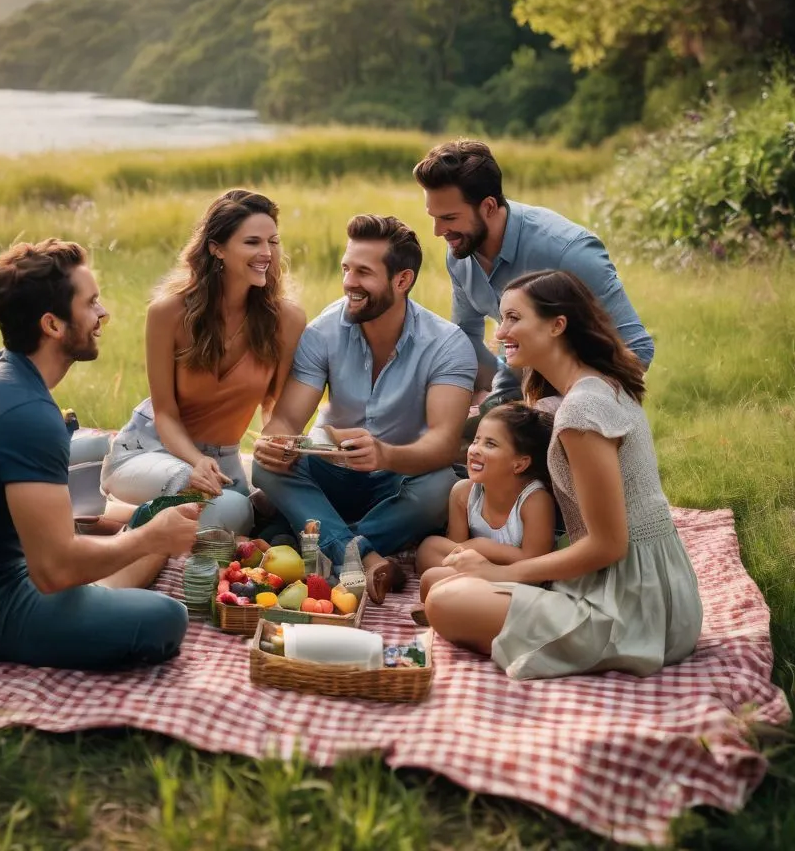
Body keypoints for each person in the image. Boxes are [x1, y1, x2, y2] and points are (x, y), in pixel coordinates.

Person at [0, 239, 196, 670]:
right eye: (91, 303)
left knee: (149, 524)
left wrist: (146, 535)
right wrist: (148, 539)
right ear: (53, 325)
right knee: (166, 619)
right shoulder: (27, 414)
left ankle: (104, 588)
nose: (103, 314)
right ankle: (103, 595)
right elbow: (53, 570)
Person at [423, 270, 703, 679]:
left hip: (632, 605)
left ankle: (518, 624)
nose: (500, 332)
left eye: (514, 318)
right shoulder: (588, 390)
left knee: (445, 602)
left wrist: (502, 572)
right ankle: (503, 616)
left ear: (557, 325)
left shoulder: (582, 411)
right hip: (638, 586)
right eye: (501, 319)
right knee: (436, 582)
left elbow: (609, 545)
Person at [251, 214, 477, 603]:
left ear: (402, 280)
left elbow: (442, 444)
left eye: (363, 272)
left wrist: (385, 454)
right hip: (332, 473)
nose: (349, 283)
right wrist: (275, 441)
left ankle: (309, 542)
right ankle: (365, 555)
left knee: (443, 487)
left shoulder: (447, 344)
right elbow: (288, 418)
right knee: (262, 465)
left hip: (398, 480)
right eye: (346, 268)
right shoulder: (323, 331)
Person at [100, 189, 306, 536]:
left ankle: (135, 520)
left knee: (245, 515)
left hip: (224, 461)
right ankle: (139, 526)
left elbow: (275, 408)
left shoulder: (287, 319)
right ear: (217, 248)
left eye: (272, 241)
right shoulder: (167, 312)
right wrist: (194, 463)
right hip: (150, 450)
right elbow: (164, 412)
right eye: (252, 242)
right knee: (230, 508)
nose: (266, 253)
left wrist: (278, 450)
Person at [413, 139, 654, 420]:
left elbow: (637, 350)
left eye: (449, 218)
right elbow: (466, 338)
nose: (438, 231)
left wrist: (558, 409)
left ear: (489, 207)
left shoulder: (567, 251)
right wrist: (484, 401)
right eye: (434, 217)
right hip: (523, 391)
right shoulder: (460, 251)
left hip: (585, 407)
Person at [415, 402, 557, 601]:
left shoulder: (534, 500)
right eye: (476, 441)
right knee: (429, 547)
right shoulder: (463, 493)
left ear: (519, 463)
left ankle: (450, 596)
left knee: (433, 578)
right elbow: (456, 550)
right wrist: (472, 555)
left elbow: (534, 562)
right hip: (472, 568)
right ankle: (452, 594)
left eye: (490, 444)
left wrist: (482, 547)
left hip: (514, 578)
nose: (475, 450)